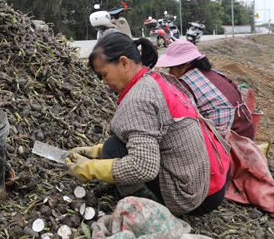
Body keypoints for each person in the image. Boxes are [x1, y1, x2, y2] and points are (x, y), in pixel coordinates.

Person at [65, 32, 230, 216]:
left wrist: (90, 169)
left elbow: (143, 167)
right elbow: (153, 135)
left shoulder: (139, 98)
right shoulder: (154, 78)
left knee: (114, 148)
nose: (104, 83)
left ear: (124, 63)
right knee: (113, 148)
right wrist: (95, 152)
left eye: (104, 75)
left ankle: (149, 209)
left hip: (193, 195)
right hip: (214, 180)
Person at [155, 40, 255, 140]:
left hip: (229, 140)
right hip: (247, 134)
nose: (170, 73)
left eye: (171, 68)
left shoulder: (185, 84)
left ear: (186, 64)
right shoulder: (214, 74)